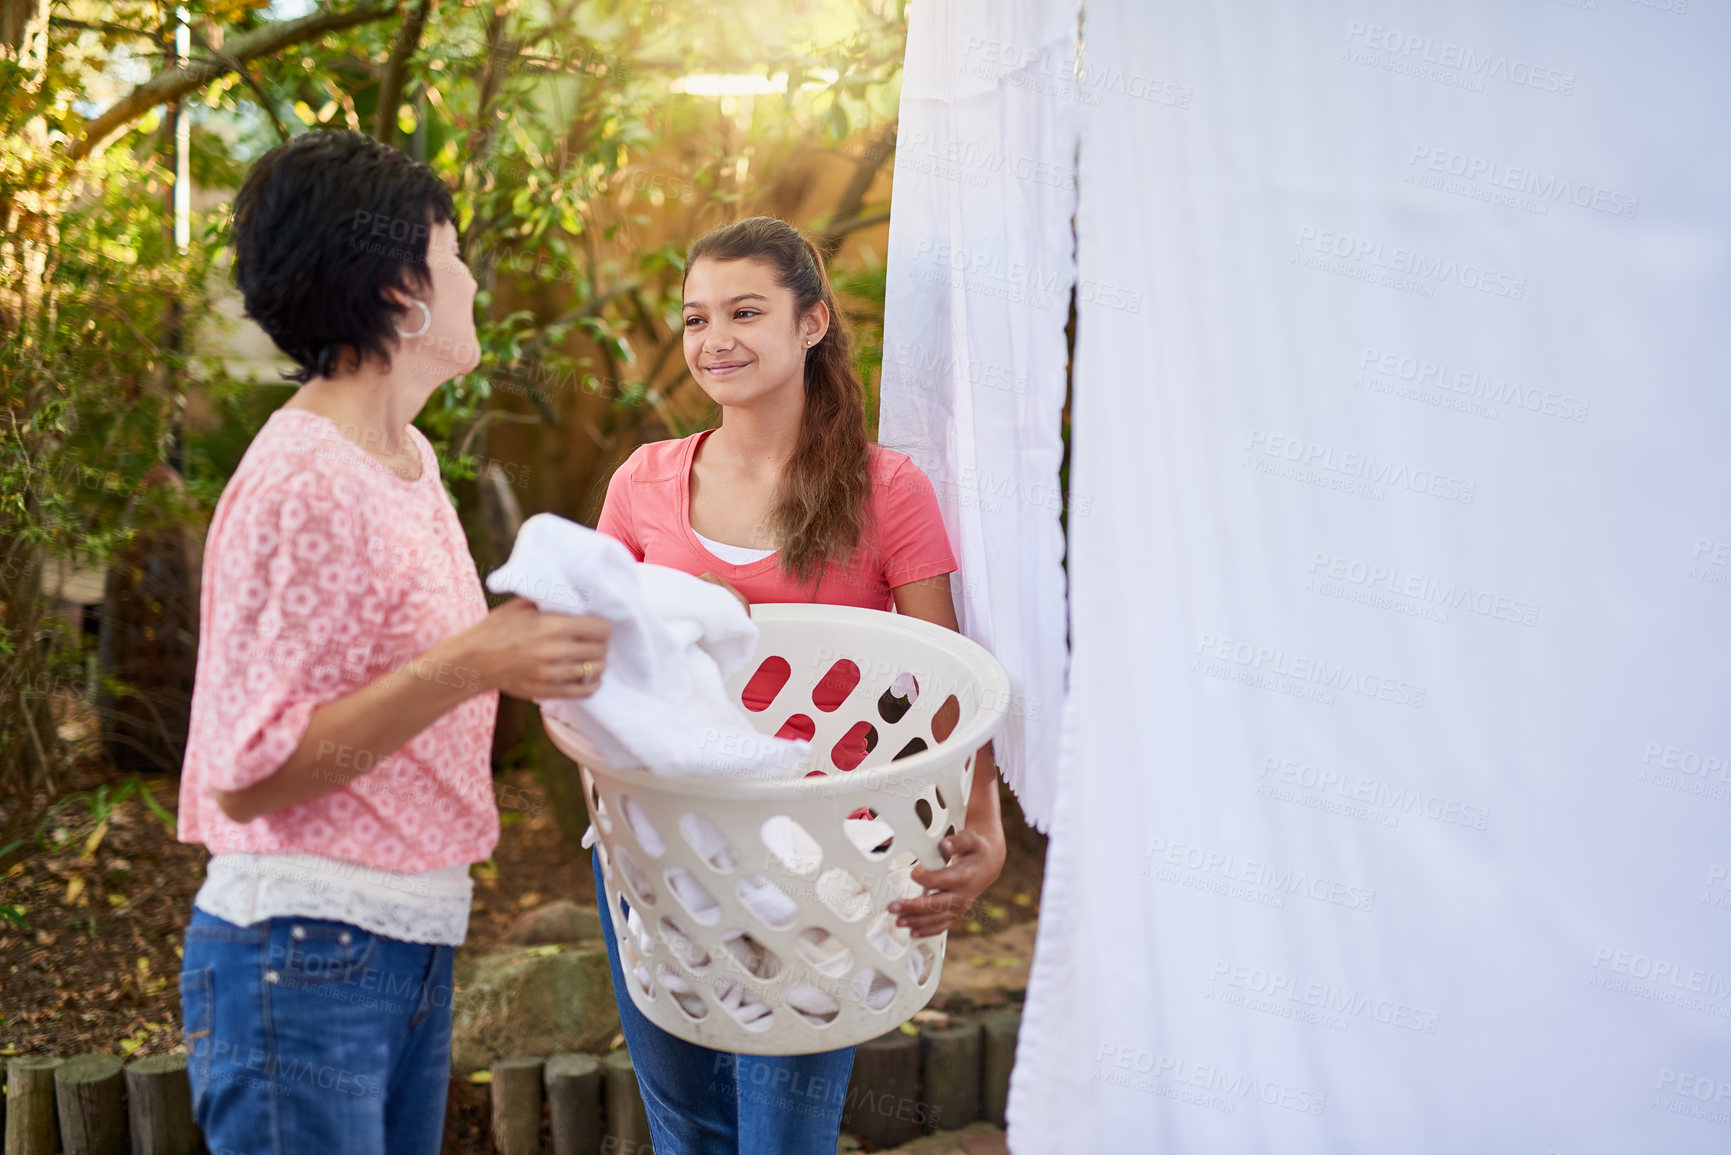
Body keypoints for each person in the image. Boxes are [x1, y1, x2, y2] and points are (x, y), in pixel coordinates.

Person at [176, 130, 612, 1155]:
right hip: (306, 951)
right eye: (453, 254)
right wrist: (474, 663)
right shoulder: (306, 480)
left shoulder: (403, 456)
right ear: (401, 292)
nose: (471, 280)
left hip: (401, 939)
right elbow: (250, 773)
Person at [592, 216, 1007, 1153]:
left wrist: (982, 828)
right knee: (690, 1130)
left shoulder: (885, 489)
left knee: (783, 1139)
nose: (714, 340)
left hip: (832, 852)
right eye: (695, 319)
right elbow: (594, 663)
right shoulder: (643, 482)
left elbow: (947, 686)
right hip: (666, 845)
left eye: (745, 311)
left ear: (811, 322)